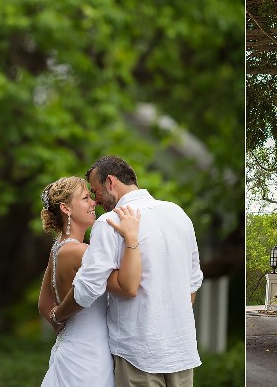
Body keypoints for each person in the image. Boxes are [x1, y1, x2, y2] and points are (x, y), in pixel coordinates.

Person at [52, 155, 203, 387]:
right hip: (181, 352)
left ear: (110, 182)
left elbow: (88, 289)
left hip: (137, 354)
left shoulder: (109, 222)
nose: (96, 200)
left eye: (95, 191)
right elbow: (193, 283)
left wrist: (59, 315)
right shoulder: (178, 214)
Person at [37, 176, 141, 387]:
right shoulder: (81, 251)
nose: (94, 202)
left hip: (69, 347)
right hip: (90, 354)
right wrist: (131, 238)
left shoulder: (58, 249)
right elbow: (126, 285)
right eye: (85, 198)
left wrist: (63, 327)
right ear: (66, 209)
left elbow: (43, 305)